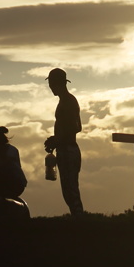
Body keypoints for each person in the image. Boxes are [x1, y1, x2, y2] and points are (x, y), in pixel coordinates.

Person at [45, 67, 84, 215]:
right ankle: (78, 219)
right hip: (66, 149)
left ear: (57, 83)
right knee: (68, 189)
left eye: (51, 84)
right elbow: (77, 127)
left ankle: (80, 220)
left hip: (68, 150)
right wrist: (55, 140)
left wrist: (57, 140)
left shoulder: (68, 101)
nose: (50, 88)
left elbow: (74, 128)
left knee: (70, 190)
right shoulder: (67, 101)